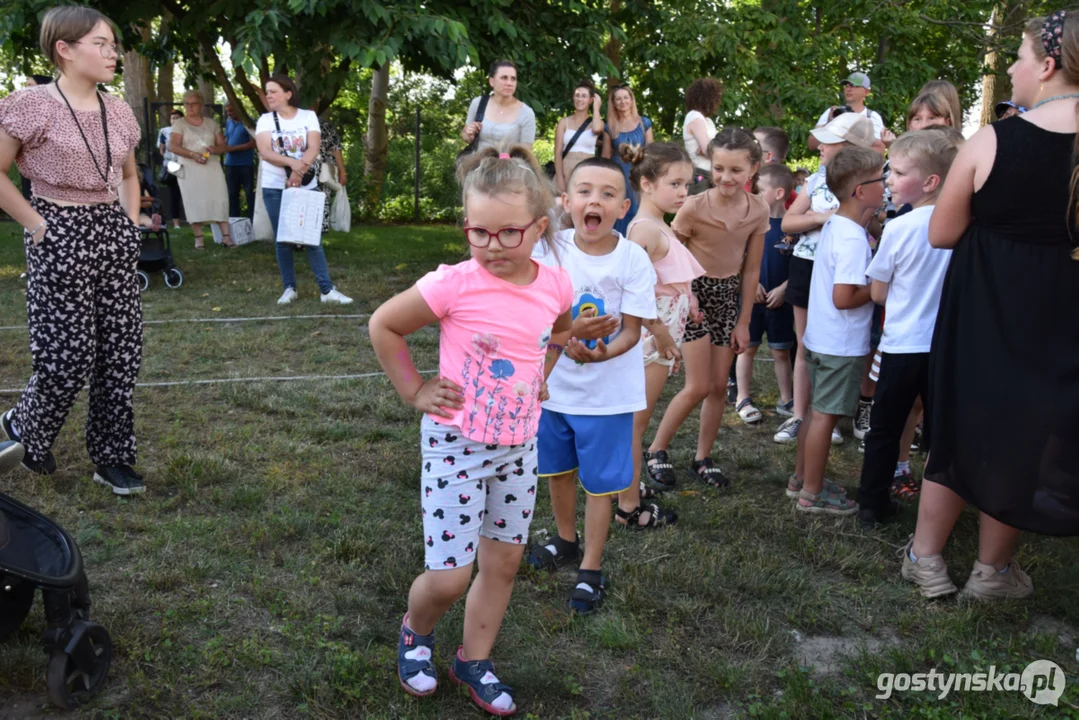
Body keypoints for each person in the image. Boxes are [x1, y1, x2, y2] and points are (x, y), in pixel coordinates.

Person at [369, 145, 573, 716]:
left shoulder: (556, 283)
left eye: (508, 233)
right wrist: (414, 391)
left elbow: (559, 328)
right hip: (456, 447)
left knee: (503, 563)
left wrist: (543, 373)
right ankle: (416, 631)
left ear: (538, 226)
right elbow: (384, 324)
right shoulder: (453, 284)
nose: (491, 247)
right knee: (450, 575)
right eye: (477, 233)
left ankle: (473, 660)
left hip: (518, 448)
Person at [902, 10, 1079, 600]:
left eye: (1020, 56)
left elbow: (942, 232)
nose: (1010, 66)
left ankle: (926, 559)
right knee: (1027, 431)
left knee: (961, 425)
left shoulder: (994, 138)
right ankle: (992, 572)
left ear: (1048, 67)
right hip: (1061, 311)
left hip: (985, 304)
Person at [0, 6, 146, 494]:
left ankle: (112, 457)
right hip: (57, 226)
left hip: (113, 229)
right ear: (64, 49)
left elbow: (128, 175)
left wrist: (129, 223)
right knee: (68, 355)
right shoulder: (31, 104)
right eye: (100, 44)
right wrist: (39, 226)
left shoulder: (119, 109)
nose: (112, 53)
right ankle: (28, 428)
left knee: (121, 352)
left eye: (113, 44)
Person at [528, 157, 658, 614]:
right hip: (555, 391)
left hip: (608, 398)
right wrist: (565, 340)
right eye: (584, 191)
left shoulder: (633, 258)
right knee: (558, 470)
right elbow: (536, 314)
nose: (594, 201)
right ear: (566, 202)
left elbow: (632, 330)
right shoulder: (549, 250)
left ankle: (591, 567)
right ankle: (565, 539)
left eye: (607, 194)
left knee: (600, 484)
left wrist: (601, 352)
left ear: (623, 206)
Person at [644, 129, 767, 489]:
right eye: (718, 168)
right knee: (698, 385)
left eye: (735, 170)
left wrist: (743, 321)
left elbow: (752, 269)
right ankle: (656, 449)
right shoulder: (693, 207)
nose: (726, 178)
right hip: (694, 298)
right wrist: (688, 297)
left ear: (753, 169)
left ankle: (702, 457)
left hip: (728, 297)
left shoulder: (759, 209)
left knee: (717, 386)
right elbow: (669, 255)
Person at [857, 130, 960, 527]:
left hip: (901, 346)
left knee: (885, 428)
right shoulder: (964, 226)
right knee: (941, 433)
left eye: (898, 172)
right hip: (946, 348)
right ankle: (941, 511)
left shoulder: (899, 228)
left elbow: (879, 293)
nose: (888, 179)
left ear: (930, 182)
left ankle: (872, 504)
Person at [789, 146, 884, 514]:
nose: (887, 185)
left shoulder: (836, 225)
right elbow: (844, 297)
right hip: (840, 344)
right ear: (861, 191)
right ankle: (812, 493)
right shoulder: (852, 239)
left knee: (815, 412)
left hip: (820, 337)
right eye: (881, 180)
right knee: (825, 416)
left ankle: (800, 478)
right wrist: (877, 289)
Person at [776, 113, 876, 445]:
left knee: (853, 346)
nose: (819, 146)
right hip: (809, 268)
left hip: (847, 270)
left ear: (849, 148)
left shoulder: (873, 184)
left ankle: (847, 411)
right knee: (806, 344)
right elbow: (789, 223)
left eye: (828, 142)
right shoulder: (816, 180)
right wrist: (825, 218)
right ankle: (803, 415)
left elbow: (876, 227)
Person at [618, 142, 703, 528]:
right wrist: (663, 336)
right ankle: (628, 506)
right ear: (647, 184)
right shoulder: (645, 231)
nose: (684, 191)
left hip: (661, 339)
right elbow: (630, 292)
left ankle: (629, 486)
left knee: (638, 420)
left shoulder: (658, 225)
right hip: (651, 342)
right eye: (675, 183)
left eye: (687, 183)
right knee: (635, 423)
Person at [255, 74, 352, 305]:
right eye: (267, 92)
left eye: (273, 91)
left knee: (312, 238)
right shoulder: (265, 120)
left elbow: (314, 146)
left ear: (288, 93)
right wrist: (292, 165)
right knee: (283, 239)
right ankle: (289, 288)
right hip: (274, 186)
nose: (268, 95)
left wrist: (297, 174)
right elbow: (266, 152)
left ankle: (327, 291)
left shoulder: (308, 117)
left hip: (306, 186)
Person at [734, 164, 796, 424]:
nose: (753, 195)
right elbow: (737, 257)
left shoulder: (795, 225)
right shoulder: (749, 221)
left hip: (780, 301)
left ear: (779, 193)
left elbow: (802, 265)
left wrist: (785, 288)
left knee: (782, 351)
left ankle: (787, 400)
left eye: (759, 191)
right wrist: (751, 284)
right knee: (746, 348)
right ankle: (742, 398)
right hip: (752, 297)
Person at [170, 89, 233, 248]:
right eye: (186, 104)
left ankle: (226, 237)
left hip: (211, 166)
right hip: (190, 168)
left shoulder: (211, 123)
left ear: (202, 105)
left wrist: (215, 149)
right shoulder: (180, 124)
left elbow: (223, 147)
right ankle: (199, 238)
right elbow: (173, 146)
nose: (189, 107)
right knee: (193, 200)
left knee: (220, 198)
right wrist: (193, 155)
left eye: (193, 104)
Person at [603, 85, 654, 235]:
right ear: (613, 103)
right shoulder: (610, 127)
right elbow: (606, 156)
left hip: (640, 173)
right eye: (618, 99)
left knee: (639, 209)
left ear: (632, 100)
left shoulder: (644, 123)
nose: (622, 101)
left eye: (626, 97)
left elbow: (651, 151)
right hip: (618, 176)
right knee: (619, 210)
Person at [461, 61, 536, 153]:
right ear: (492, 81)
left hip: (511, 166)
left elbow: (526, 153)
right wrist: (469, 135)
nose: (509, 83)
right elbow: (465, 136)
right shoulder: (478, 103)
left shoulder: (526, 113)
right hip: (478, 164)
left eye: (513, 79)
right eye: (504, 78)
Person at [809, 73, 894, 151]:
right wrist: (829, 123)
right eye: (847, 85)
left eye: (854, 86)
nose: (848, 89)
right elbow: (811, 145)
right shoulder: (831, 112)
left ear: (866, 92)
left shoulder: (872, 117)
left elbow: (879, 149)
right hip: (831, 167)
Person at [553, 82, 604, 194]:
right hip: (566, 170)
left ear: (591, 100)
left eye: (584, 96)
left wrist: (596, 108)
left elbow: (597, 130)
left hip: (588, 170)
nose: (579, 99)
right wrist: (561, 182)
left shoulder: (595, 123)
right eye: (577, 95)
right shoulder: (563, 122)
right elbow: (557, 153)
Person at [682, 77, 722, 194]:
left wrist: (713, 150)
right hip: (700, 174)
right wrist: (713, 150)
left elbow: (711, 149)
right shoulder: (694, 116)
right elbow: (707, 149)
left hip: (711, 174)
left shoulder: (708, 121)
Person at [19, 75, 52, 201]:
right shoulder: (23, 112)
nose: (26, 89)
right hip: (30, 171)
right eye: (26, 85)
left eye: (30, 86)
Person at [224, 103, 256, 220]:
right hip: (230, 164)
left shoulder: (248, 122)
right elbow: (226, 139)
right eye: (227, 111)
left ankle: (251, 221)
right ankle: (234, 220)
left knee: (249, 193)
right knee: (232, 194)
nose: (229, 114)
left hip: (245, 164)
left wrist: (234, 148)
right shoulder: (228, 122)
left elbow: (254, 143)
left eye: (231, 111)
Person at [317, 117, 347, 232]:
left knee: (321, 202)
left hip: (323, 173)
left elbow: (336, 149)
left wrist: (342, 171)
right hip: (303, 170)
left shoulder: (325, 126)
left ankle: (317, 235)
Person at [157, 108, 184, 229]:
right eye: (173, 118)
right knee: (174, 193)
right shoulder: (164, 131)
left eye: (177, 117)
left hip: (187, 163)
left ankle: (195, 220)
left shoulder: (188, 130)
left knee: (189, 192)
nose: (175, 120)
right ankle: (176, 223)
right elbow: (161, 150)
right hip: (172, 164)